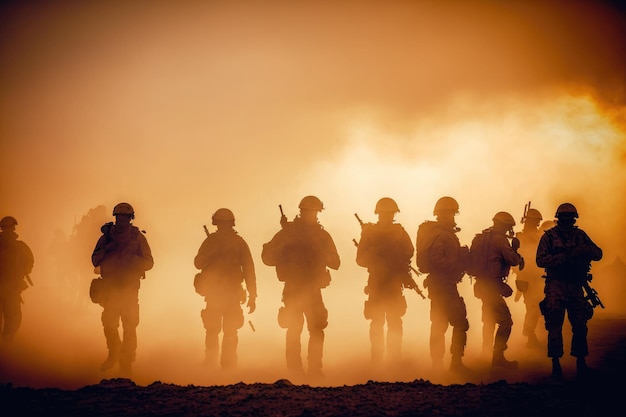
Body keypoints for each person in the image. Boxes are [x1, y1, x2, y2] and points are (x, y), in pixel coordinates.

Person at [261, 196, 340, 378]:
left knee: (317, 329)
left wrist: (317, 250)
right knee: (294, 329)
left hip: (313, 289)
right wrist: (284, 247)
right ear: (301, 212)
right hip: (293, 289)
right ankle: (294, 370)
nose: (311, 215)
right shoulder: (288, 233)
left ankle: (314, 370)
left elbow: (336, 262)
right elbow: (267, 258)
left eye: (314, 212)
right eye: (308, 212)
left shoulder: (321, 236)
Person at [536, 203, 602, 378]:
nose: (568, 221)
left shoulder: (580, 236)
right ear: (559, 218)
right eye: (565, 217)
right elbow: (540, 260)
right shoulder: (549, 237)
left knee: (580, 325)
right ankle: (556, 364)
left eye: (570, 217)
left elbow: (598, 253)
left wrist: (582, 250)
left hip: (575, 285)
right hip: (556, 284)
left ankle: (580, 362)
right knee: (554, 325)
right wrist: (561, 258)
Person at [91, 202, 153, 375]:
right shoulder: (106, 238)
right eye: (118, 217)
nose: (121, 221)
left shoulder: (137, 238)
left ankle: (126, 362)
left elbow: (149, 262)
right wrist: (107, 250)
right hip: (109, 288)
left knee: (129, 326)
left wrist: (132, 260)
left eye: (125, 217)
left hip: (130, 289)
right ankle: (114, 352)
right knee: (109, 324)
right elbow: (95, 260)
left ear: (130, 218)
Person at [193, 208, 257, 369]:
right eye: (221, 224)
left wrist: (253, 295)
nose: (224, 227)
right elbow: (198, 263)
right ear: (216, 224)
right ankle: (210, 363)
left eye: (226, 224)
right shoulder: (211, 242)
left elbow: (249, 269)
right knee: (212, 330)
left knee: (230, 331)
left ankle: (228, 365)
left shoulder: (239, 243)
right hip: (214, 294)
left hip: (233, 294)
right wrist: (213, 254)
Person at [355, 197, 415, 365]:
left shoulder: (400, 232)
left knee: (395, 321)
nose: (388, 217)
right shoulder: (370, 234)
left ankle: (394, 359)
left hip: (394, 283)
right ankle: (377, 360)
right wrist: (376, 252)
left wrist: (395, 255)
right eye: (385, 214)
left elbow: (409, 252)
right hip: (376, 283)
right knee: (377, 322)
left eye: (390, 214)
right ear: (378, 214)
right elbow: (360, 259)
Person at [416, 197, 471, 373]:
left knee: (439, 324)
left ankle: (437, 364)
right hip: (443, 284)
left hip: (438, 284)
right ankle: (455, 364)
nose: (454, 216)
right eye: (452, 213)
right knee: (460, 323)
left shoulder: (436, 232)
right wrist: (458, 261)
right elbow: (437, 259)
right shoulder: (443, 234)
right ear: (446, 214)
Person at [472, 211, 524, 369]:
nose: (509, 229)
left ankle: (485, 354)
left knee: (488, 321)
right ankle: (498, 357)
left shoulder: (482, 238)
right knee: (505, 321)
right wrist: (516, 250)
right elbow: (512, 260)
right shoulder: (500, 240)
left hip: (481, 284)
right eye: (508, 226)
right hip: (492, 285)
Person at [513, 207, 545, 349]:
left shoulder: (537, 236)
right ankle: (530, 336)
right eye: (534, 221)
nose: (534, 224)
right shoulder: (520, 237)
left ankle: (532, 335)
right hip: (528, 279)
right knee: (533, 308)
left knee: (536, 308)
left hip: (538, 278)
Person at [0, 216, 34, 344]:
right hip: (11, 288)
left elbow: (30, 262)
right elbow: (30, 262)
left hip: (12, 287)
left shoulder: (20, 247)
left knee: (13, 318)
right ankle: (6, 344)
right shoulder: (20, 246)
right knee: (13, 318)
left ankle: (6, 345)